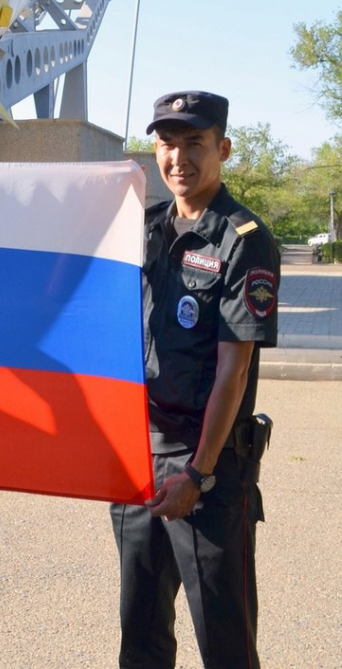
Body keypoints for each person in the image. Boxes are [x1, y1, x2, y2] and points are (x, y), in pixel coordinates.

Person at [110, 91, 279, 668]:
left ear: (223, 148)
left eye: (194, 143)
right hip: (137, 458)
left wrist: (199, 474)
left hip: (203, 467)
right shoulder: (143, 229)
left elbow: (235, 370)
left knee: (224, 641)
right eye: (167, 143)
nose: (178, 157)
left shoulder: (243, 240)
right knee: (141, 636)